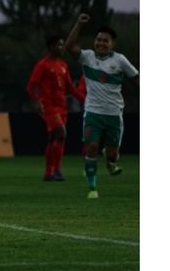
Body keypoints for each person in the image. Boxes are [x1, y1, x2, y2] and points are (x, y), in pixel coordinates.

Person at [64, 13, 139, 199]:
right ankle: (92, 188)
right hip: (93, 113)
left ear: (112, 44)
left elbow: (137, 78)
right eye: (98, 40)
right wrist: (79, 25)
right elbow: (70, 47)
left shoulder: (120, 60)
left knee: (113, 155)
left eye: (105, 41)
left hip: (114, 115)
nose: (101, 43)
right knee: (91, 148)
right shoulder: (88, 57)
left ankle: (110, 160)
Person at [27, 34, 85, 181]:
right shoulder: (43, 65)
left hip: (62, 107)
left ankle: (49, 173)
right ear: (51, 47)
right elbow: (31, 85)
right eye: (59, 45)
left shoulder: (63, 65)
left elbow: (70, 87)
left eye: (62, 44)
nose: (62, 47)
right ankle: (57, 170)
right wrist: (35, 101)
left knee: (54, 139)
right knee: (61, 132)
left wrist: (85, 100)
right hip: (49, 107)